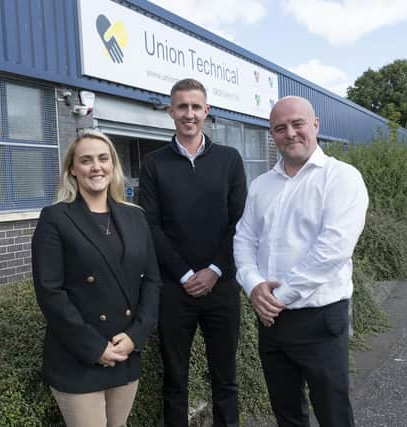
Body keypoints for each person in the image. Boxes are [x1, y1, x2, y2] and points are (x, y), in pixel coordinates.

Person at [234, 96, 369, 427]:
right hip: (271, 321)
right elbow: (244, 238)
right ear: (272, 134)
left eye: (298, 124)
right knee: (286, 413)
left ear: (316, 125)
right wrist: (252, 285)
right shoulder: (262, 185)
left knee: (332, 412)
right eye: (280, 128)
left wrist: (276, 298)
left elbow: (333, 249)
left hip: (319, 320)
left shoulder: (341, 177)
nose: (290, 133)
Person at [32, 130, 161, 427]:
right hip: (78, 357)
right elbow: (50, 292)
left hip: (125, 351)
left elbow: (152, 281)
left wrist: (136, 336)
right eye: (86, 160)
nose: (96, 167)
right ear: (72, 170)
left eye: (103, 158)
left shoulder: (135, 217)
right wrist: (94, 347)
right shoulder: (55, 218)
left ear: (113, 166)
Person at [138, 78, 247, 427]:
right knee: (175, 382)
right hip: (174, 290)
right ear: (171, 112)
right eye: (181, 107)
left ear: (206, 111)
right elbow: (150, 226)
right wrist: (185, 274)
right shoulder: (153, 164)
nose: (189, 114)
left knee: (226, 380)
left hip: (222, 288)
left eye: (195, 107)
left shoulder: (229, 160)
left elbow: (240, 223)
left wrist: (214, 269)